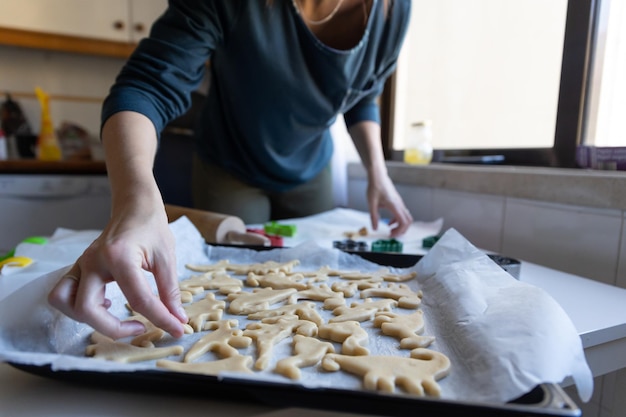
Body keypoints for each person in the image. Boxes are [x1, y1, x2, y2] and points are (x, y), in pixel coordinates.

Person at [48, 0, 413, 340]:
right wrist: (134, 200)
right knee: (237, 273)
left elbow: (365, 94)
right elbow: (148, 85)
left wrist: (377, 173)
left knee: (311, 279)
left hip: (310, 168)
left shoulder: (393, 10)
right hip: (230, 165)